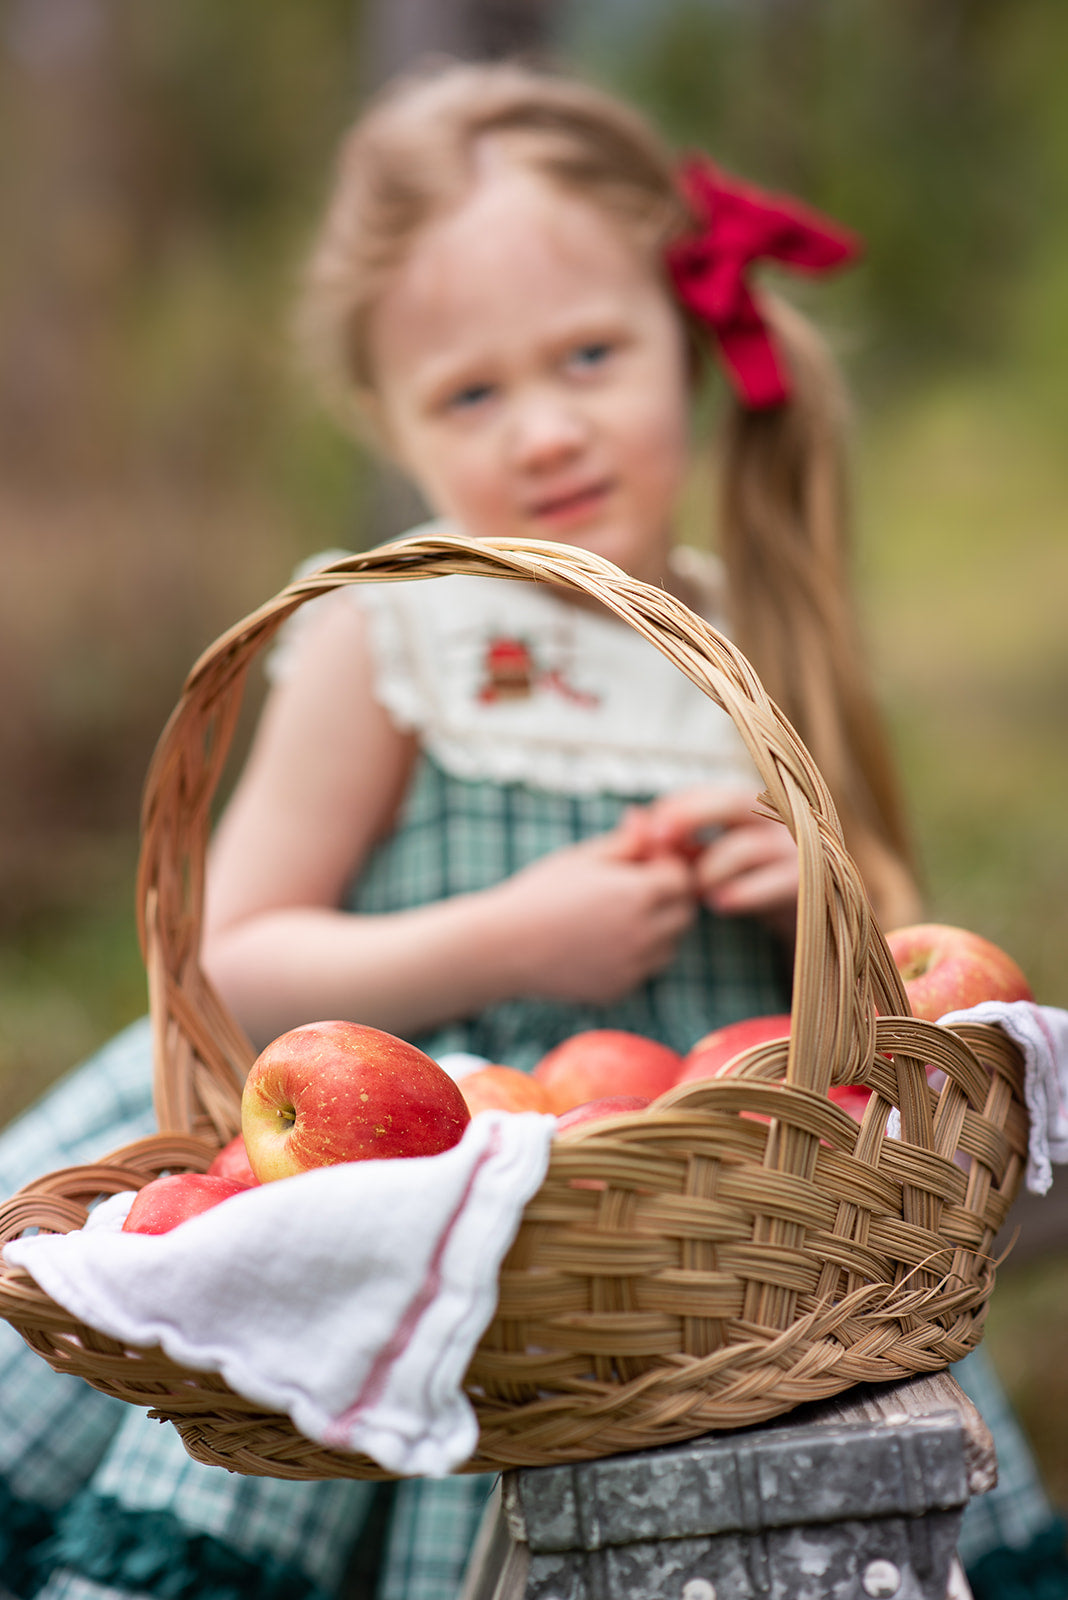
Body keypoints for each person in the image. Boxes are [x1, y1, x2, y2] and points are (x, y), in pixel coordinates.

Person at [0, 56, 1061, 1600]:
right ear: (387, 416)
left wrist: (793, 903)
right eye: (472, 392)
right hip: (430, 1244)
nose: (545, 429)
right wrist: (510, 940)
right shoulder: (395, 634)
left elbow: (899, 971)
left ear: (684, 345)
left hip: (716, 1254)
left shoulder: (750, 632)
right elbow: (233, 957)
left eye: (587, 355)